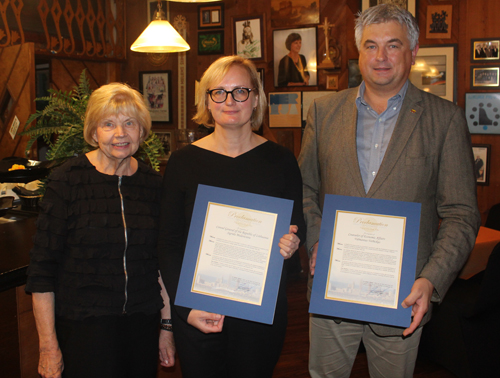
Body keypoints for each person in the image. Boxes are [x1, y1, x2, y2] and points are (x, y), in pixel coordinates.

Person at [298, 4, 480, 378]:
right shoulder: (323, 111)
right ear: (359, 52)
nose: (381, 57)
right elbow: (305, 188)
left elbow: (462, 213)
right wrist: (317, 242)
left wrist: (430, 279)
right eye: (371, 46)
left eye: (393, 45)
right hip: (333, 287)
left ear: (412, 53)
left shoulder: (444, 119)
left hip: (404, 297)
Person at [158, 55, 305, 378]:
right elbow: (168, 245)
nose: (230, 101)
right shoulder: (183, 163)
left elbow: (298, 228)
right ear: (207, 102)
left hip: (259, 311)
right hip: (198, 311)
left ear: (255, 99)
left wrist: (292, 243)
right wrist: (185, 308)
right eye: (219, 92)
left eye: (240, 91)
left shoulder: (281, 161)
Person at [26, 83, 175, 378]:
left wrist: (166, 327)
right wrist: (48, 347)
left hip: (141, 325)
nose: (120, 134)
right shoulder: (66, 182)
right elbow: (42, 271)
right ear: (94, 133)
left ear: (142, 132)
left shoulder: (154, 185)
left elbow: (161, 264)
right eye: (108, 124)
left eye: (129, 123)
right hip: (84, 329)